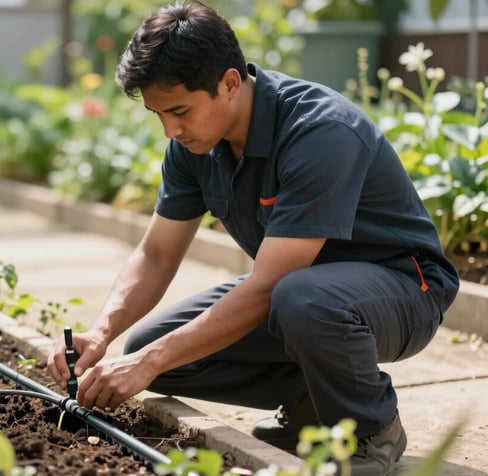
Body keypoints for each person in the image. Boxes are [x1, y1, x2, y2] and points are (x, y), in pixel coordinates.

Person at [47, 1, 460, 474]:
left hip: (404, 290)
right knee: (151, 346)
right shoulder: (193, 144)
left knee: (295, 300)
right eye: (158, 114)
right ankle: (311, 398)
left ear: (229, 83)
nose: (170, 130)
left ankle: (371, 428)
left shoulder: (318, 131)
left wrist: (148, 362)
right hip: (301, 290)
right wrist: (101, 334)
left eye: (179, 110)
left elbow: (267, 286)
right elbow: (158, 254)